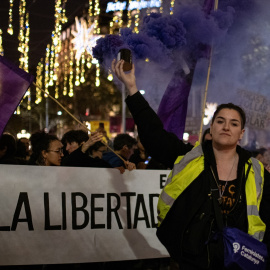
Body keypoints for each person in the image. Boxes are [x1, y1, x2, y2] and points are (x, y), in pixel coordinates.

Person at [112, 59, 270, 269]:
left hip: (238, 263)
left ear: (241, 134)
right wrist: (132, 89)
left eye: (234, 123)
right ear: (211, 127)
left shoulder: (256, 170)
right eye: (220, 121)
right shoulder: (188, 157)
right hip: (192, 261)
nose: (226, 127)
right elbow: (154, 136)